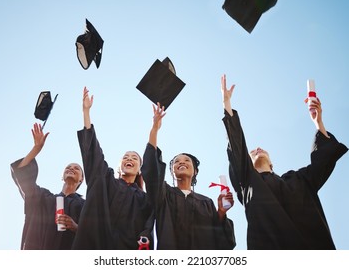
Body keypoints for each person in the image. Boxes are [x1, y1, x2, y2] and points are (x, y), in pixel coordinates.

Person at [221, 74, 348, 249]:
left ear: (272, 163)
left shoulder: (298, 180)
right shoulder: (247, 183)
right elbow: (236, 149)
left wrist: (318, 122)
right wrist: (227, 105)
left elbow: (322, 161)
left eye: (261, 149)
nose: (257, 149)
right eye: (251, 152)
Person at [141, 103, 236, 249]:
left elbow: (222, 241)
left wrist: (221, 213)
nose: (181, 163)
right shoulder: (164, 195)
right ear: (172, 171)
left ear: (195, 171)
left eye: (186, 161)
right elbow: (152, 172)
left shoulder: (207, 203)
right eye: (176, 162)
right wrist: (154, 129)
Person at [72, 87, 154, 250]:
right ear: (119, 166)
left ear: (140, 170)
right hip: (96, 246)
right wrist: (86, 113)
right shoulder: (106, 180)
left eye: (134, 158)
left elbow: (150, 224)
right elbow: (94, 155)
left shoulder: (145, 199)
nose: (129, 159)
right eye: (125, 157)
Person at [10, 123, 85, 250]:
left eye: (76, 168)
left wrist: (76, 227)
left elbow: (97, 236)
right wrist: (36, 149)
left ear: (81, 179)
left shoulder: (86, 206)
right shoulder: (43, 197)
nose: (71, 168)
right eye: (68, 167)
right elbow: (22, 174)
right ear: (62, 177)